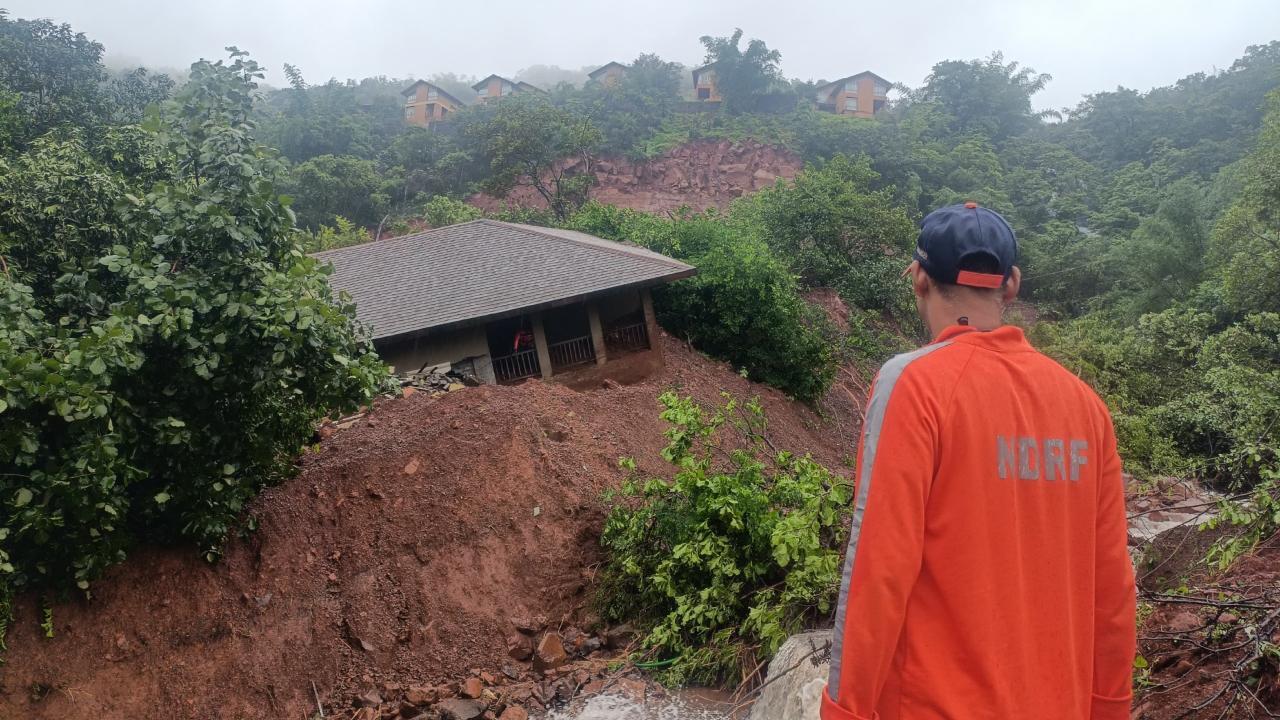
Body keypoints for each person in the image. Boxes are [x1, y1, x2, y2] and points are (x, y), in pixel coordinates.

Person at [821, 202, 1136, 720]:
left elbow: (879, 568)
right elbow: (1112, 586)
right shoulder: (1085, 406)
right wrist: (1110, 707)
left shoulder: (913, 386)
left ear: (919, 279)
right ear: (1010, 284)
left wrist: (844, 711)